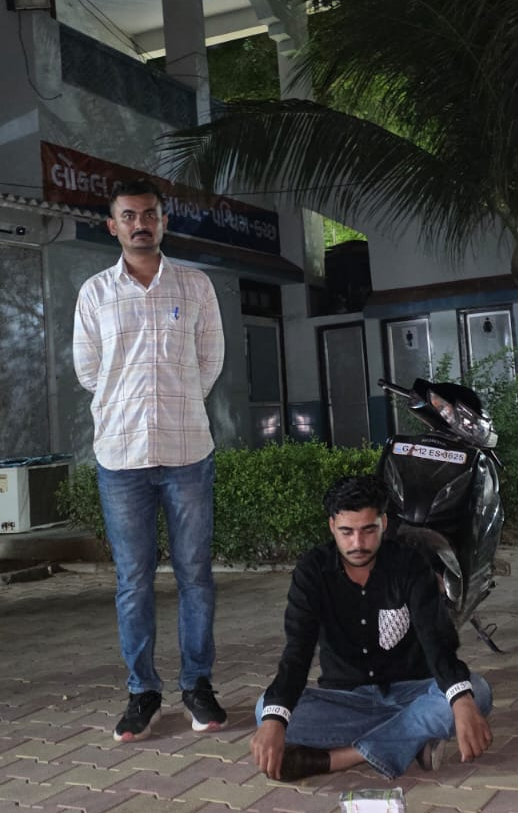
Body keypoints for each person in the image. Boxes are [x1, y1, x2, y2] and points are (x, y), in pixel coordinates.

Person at [73, 178, 228, 742]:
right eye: (129, 216)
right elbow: (88, 371)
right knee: (134, 581)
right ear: (112, 226)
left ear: (164, 221)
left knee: (196, 577)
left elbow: (210, 361)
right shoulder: (95, 293)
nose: (140, 223)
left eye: (149, 214)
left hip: (187, 451)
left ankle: (197, 686)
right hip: (121, 458)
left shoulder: (195, 285)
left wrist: (176, 404)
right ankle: (143, 691)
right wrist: (130, 407)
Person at [250, 474, 493, 782]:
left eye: (368, 530)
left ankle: (336, 759)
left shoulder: (410, 564)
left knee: (476, 692)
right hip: (348, 701)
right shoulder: (313, 571)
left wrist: (460, 700)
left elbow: (438, 641)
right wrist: (275, 719)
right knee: (266, 709)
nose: (358, 543)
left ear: (384, 524)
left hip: (412, 690)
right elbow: (297, 652)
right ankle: (413, 736)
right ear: (332, 526)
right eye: (347, 532)